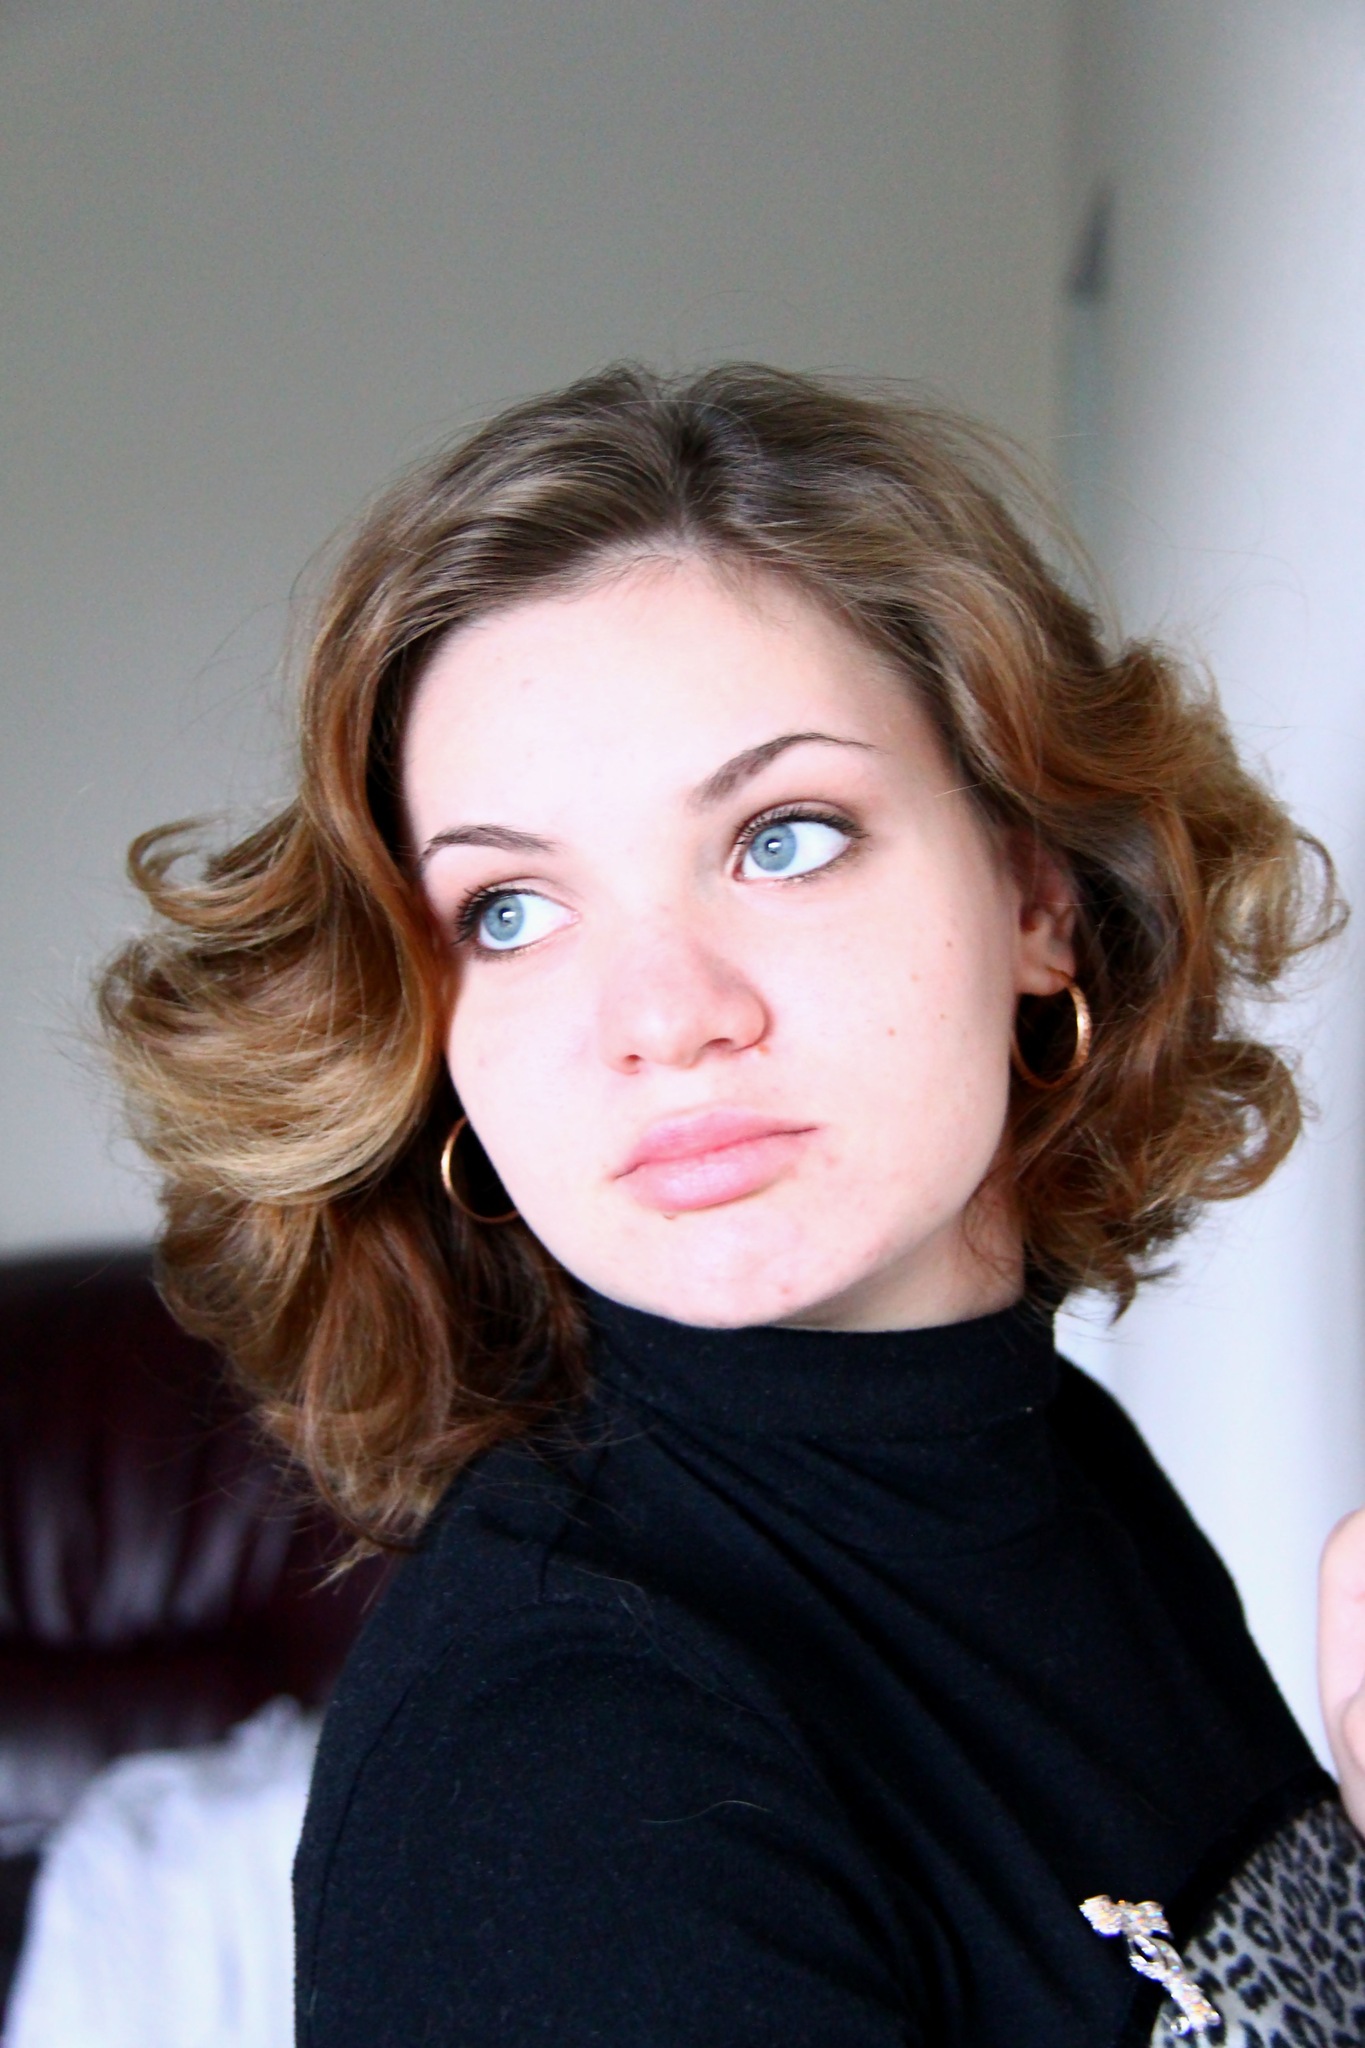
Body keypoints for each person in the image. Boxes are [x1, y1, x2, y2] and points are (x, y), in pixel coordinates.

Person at [98, 363, 1365, 2047]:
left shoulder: (1048, 1465)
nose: (660, 1015)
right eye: (507, 911)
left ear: (1036, 897)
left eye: (782, 837)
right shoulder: (558, 1764)